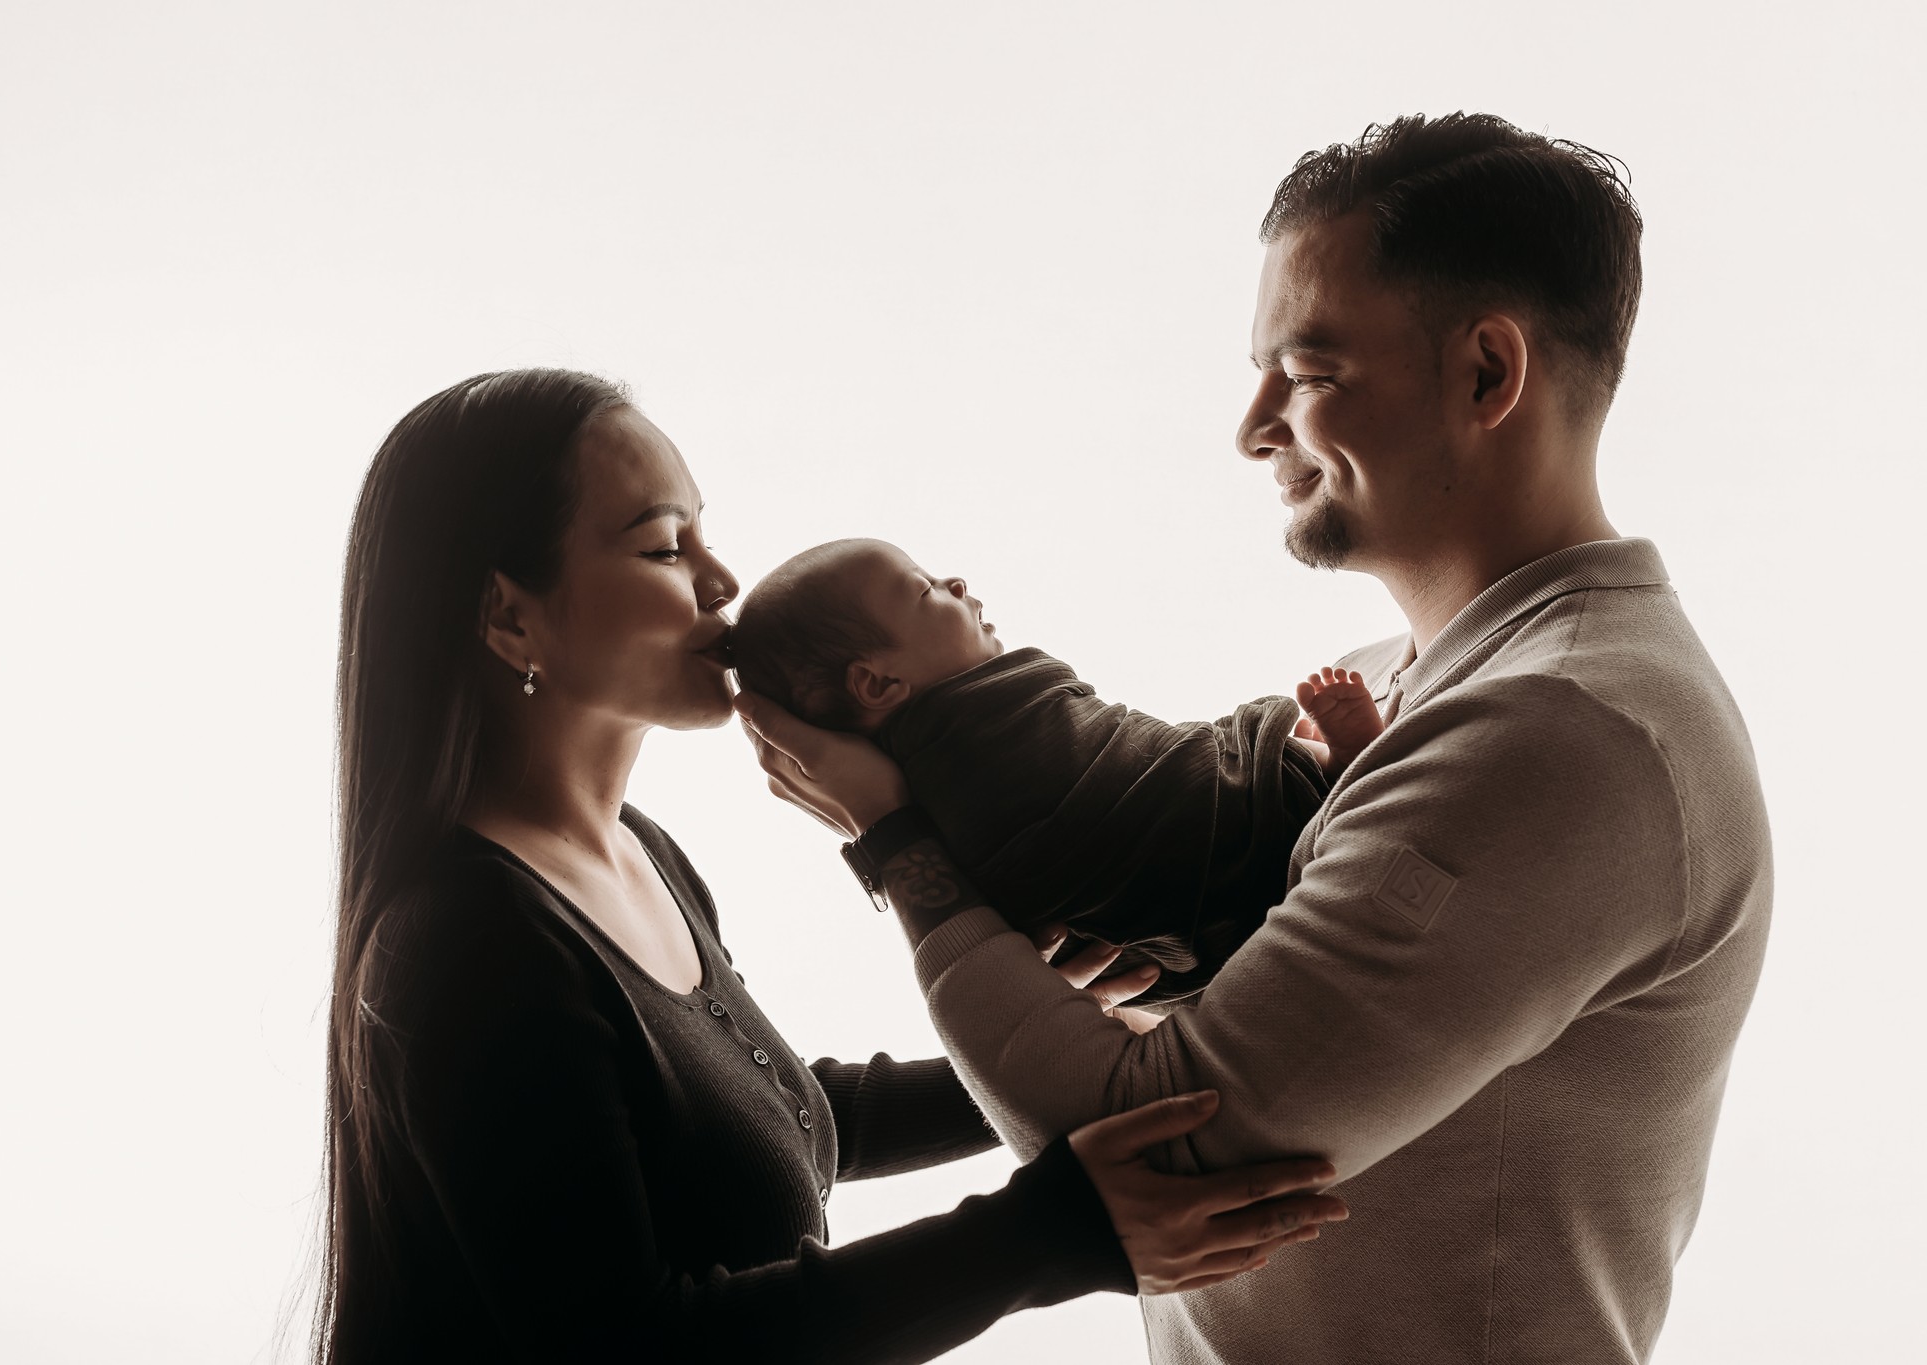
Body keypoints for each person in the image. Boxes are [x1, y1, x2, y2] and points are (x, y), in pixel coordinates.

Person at [738, 112, 1772, 1364]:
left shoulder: (1552, 735)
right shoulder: (1412, 687)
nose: (1252, 426)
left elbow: (1142, 1161)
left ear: (1488, 376)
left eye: (1309, 370)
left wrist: (898, 843)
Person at [312, 368, 1353, 1363]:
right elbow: (632, 1350)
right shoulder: (462, 942)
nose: (722, 582)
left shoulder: (638, 857)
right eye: (665, 548)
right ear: (507, 615)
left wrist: (1076, 1044)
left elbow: (782, 1119)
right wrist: (1052, 1233)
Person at [732, 536, 1381, 1002]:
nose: (956, 582)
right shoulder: (985, 731)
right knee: (1237, 780)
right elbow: (1108, 797)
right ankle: (1330, 770)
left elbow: (1110, 767)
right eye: (926, 587)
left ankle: (1321, 777)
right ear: (877, 683)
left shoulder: (925, 797)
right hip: (1237, 837)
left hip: (1195, 966)